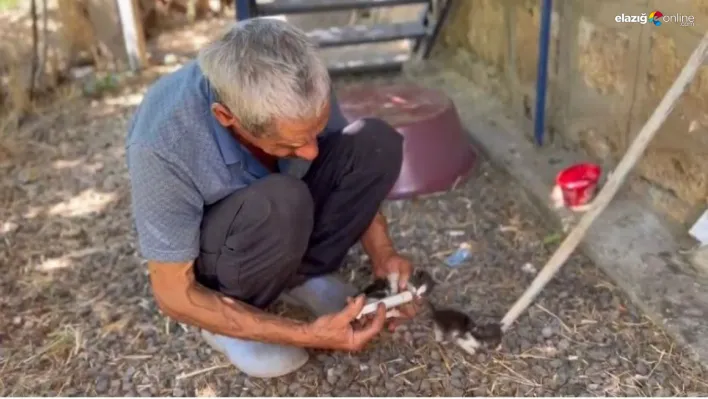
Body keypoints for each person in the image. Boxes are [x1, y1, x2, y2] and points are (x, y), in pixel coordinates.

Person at [126, 18, 418, 378]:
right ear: (226, 117)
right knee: (281, 200)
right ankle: (231, 321)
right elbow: (173, 293)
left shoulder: (298, 78)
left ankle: (301, 276)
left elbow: (342, 162)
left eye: (315, 131)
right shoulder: (162, 142)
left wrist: (383, 253)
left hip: (277, 212)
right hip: (225, 252)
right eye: (292, 143)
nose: (311, 153)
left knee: (374, 143)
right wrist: (306, 335)